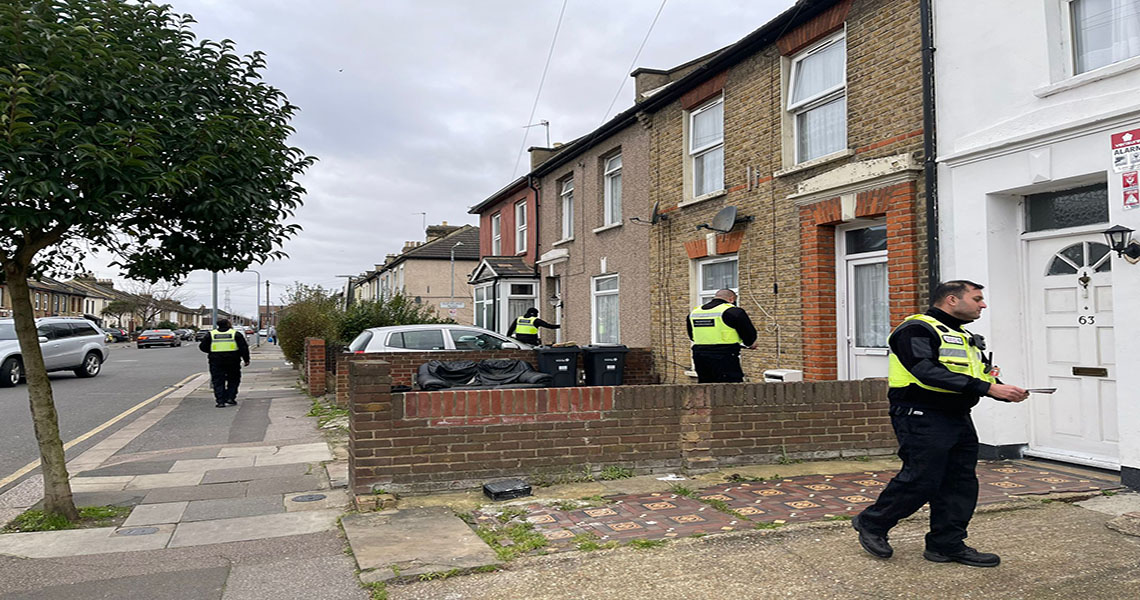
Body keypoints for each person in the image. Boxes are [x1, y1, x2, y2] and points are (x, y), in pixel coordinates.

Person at [852, 280, 1029, 567]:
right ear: (951, 300)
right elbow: (925, 371)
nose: (983, 305)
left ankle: (945, 545)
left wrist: (1004, 391)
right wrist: (989, 389)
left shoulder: (966, 337)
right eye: (977, 298)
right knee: (922, 478)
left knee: (960, 482)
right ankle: (872, 523)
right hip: (920, 414)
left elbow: (982, 375)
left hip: (957, 416)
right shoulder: (915, 329)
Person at [686, 288, 757, 383]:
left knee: (706, 386)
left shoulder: (694, 313)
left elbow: (692, 336)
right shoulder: (734, 311)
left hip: (700, 356)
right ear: (731, 299)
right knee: (730, 388)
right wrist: (750, 343)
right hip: (725, 356)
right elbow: (749, 334)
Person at [198, 318, 250, 408]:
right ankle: (230, 398)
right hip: (233, 361)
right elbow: (243, 348)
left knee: (218, 381)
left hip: (216, 361)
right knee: (233, 379)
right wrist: (246, 359)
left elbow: (202, 347)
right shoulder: (235, 334)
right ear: (228, 324)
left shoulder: (211, 334)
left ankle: (220, 401)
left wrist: (212, 352)